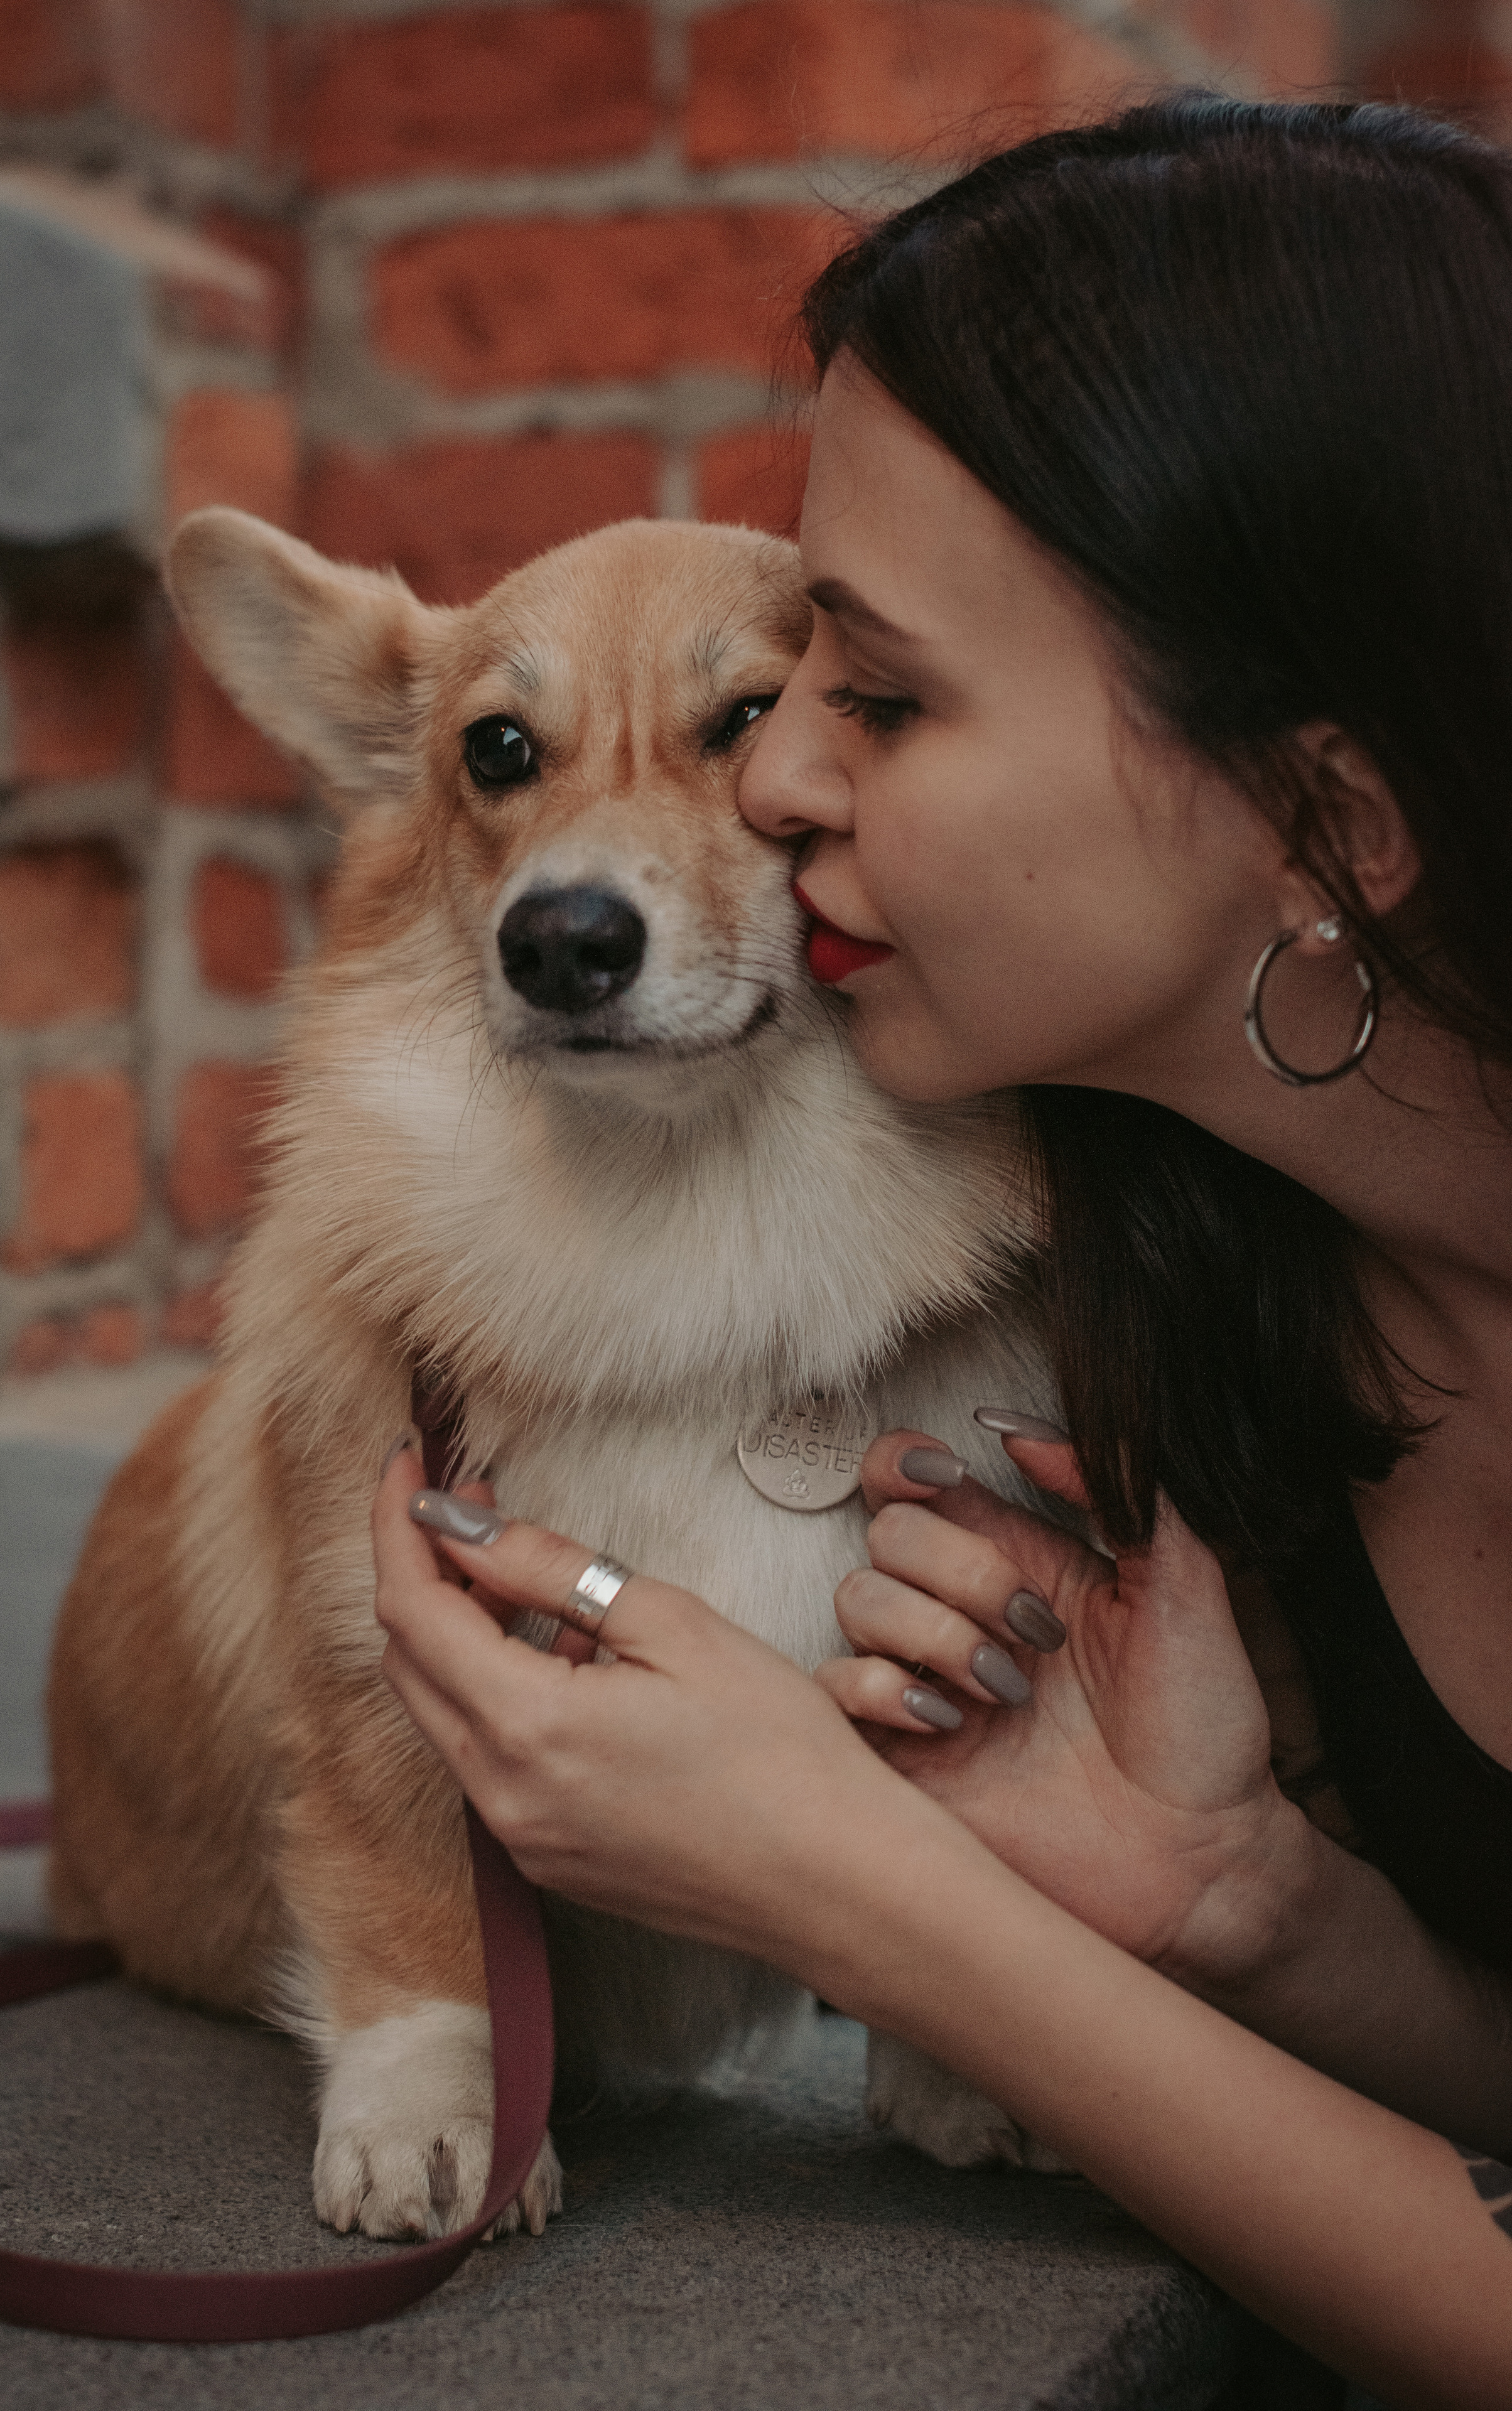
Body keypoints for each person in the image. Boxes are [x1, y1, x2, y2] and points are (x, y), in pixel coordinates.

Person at [370, 97, 1512, 2408]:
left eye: (871, 695)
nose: (780, 787)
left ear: (1330, 819)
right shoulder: (1199, 1281)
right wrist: (1239, 1903)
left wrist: (856, 1898)